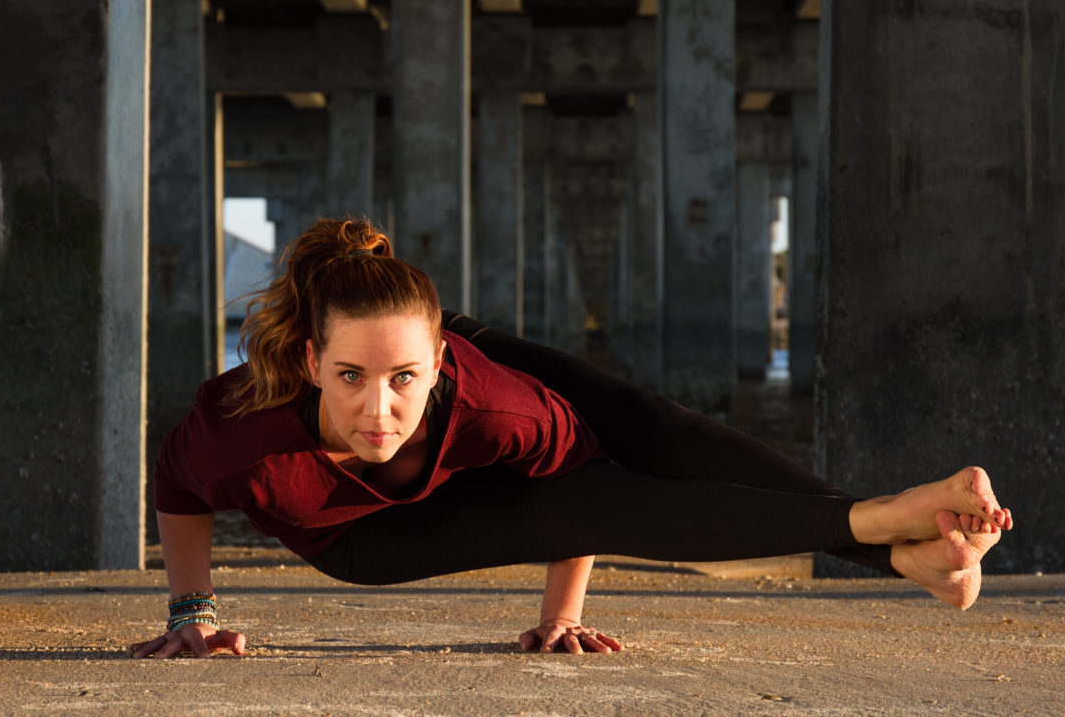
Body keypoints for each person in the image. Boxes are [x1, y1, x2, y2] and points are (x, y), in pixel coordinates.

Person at [130, 217, 1013, 660]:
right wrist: (191, 615)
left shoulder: (494, 404)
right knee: (581, 497)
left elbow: (587, 499)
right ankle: (888, 528)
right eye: (351, 378)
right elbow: (177, 488)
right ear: (315, 362)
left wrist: (562, 616)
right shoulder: (239, 430)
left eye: (402, 381)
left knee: (653, 432)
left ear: (439, 364)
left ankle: (897, 543)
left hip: (479, 384)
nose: (378, 413)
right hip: (364, 533)